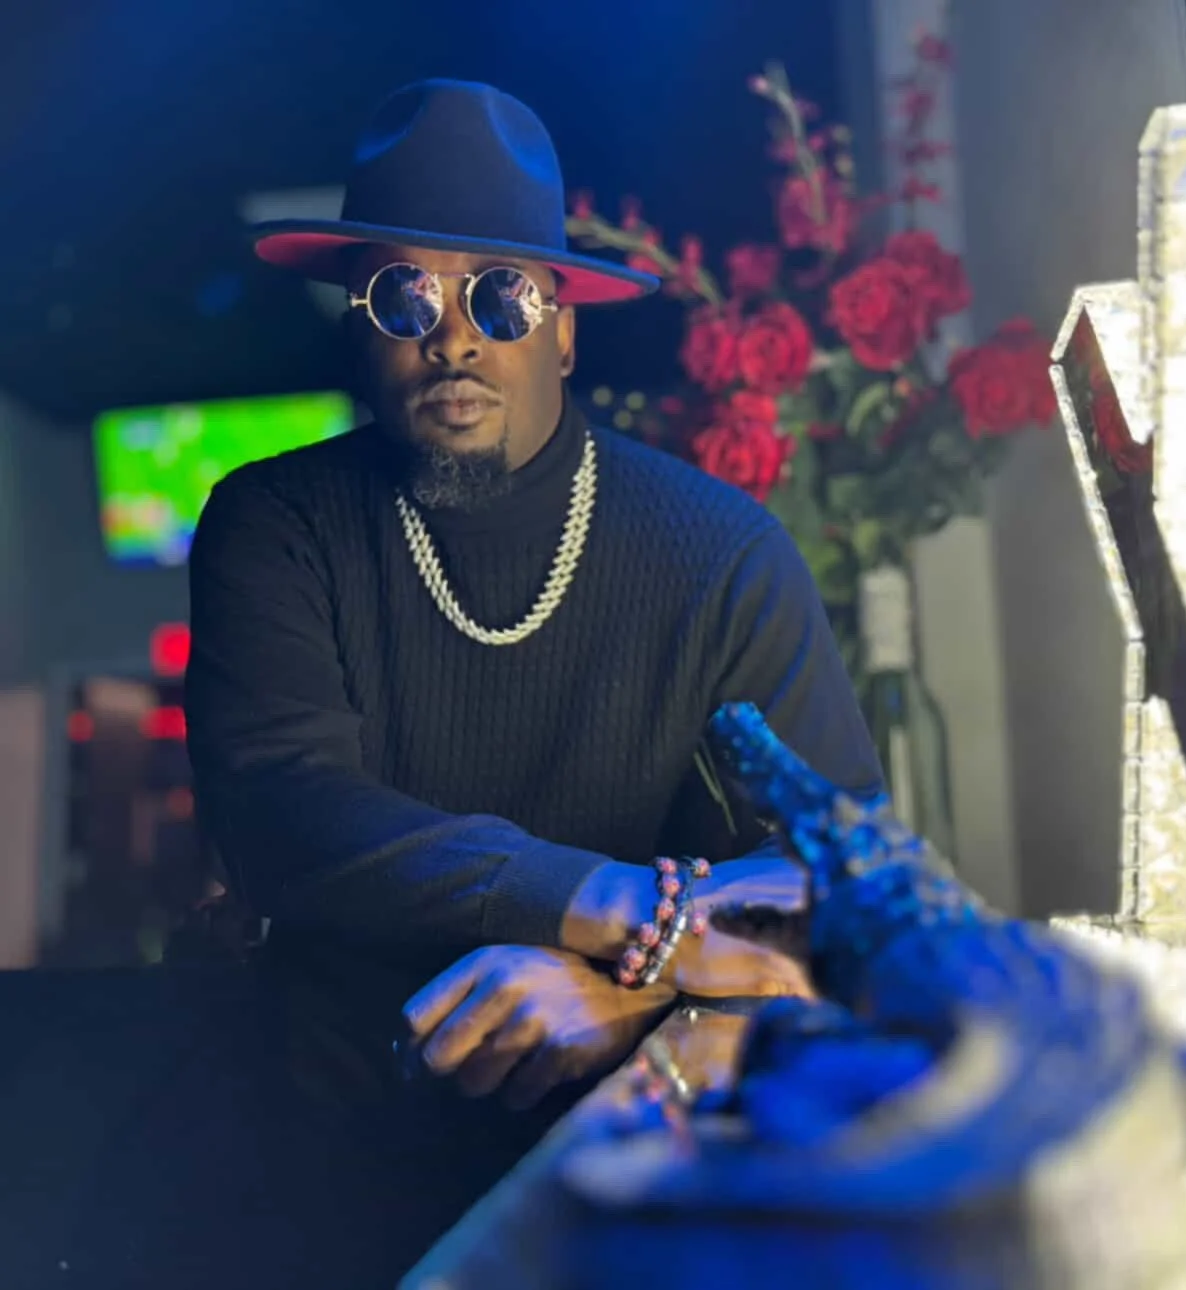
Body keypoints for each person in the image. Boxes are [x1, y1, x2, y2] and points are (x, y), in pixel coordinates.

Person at [184, 79, 881, 1284]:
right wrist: (617, 911)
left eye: (499, 295)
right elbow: (283, 810)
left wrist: (637, 994)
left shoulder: (719, 550)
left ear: (563, 325)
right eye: (407, 294)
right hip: (324, 1168)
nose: (454, 337)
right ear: (360, 325)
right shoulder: (273, 523)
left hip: (648, 1183)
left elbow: (845, 880)